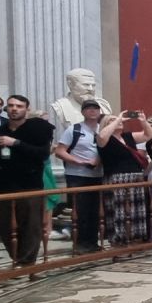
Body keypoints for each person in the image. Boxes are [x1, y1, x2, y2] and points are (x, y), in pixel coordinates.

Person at [0, 95, 54, 266]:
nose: (14, 109)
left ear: (27, 109)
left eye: (19, 106)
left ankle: (26, 261)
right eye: (11, 105)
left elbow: (42, 153)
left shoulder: (37, 128)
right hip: (2, 184)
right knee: (4, 225)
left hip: (29, 184)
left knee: (30, 225)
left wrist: (16, 143)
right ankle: (17, 257)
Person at [96, 109, 152, 247]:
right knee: (119, 210)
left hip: (135, 177)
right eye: (112, 120)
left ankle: (135, 238)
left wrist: (143, 121)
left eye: (119, 120)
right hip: (117, 177)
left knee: (135, 210)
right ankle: (119, 239)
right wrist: (117, 119)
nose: (120, 121)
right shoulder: (104, 138)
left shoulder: (128, 137)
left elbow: (148, 135)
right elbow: (102, 137)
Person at [54, 99, 105, 252]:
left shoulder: (103, 130)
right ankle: (80, 243)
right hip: (77, 175)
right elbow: (60, 151)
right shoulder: (74, 129)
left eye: (95, 108)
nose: (92, 111)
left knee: (94, 211)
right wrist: (79, 161)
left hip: (97, 175)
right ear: (83, 112)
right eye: (88, 108)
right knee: (80, 210)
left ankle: (92, 242)